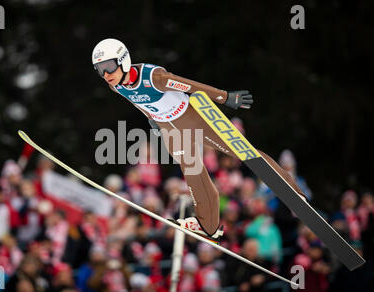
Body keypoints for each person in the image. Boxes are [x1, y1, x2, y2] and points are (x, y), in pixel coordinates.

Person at [92, 38, 307, 243]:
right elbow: (137, 102)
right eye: (100, 69)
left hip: (192, 117)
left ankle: (292, 192)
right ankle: (209, 225)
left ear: (123, 60)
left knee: (241, 151)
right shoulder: (116, 85)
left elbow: (190, 86)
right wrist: (152, 119)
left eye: (109, 66)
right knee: (192, 172)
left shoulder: (153, 77)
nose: (106, 74)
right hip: (170, 128)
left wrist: (225, 97)